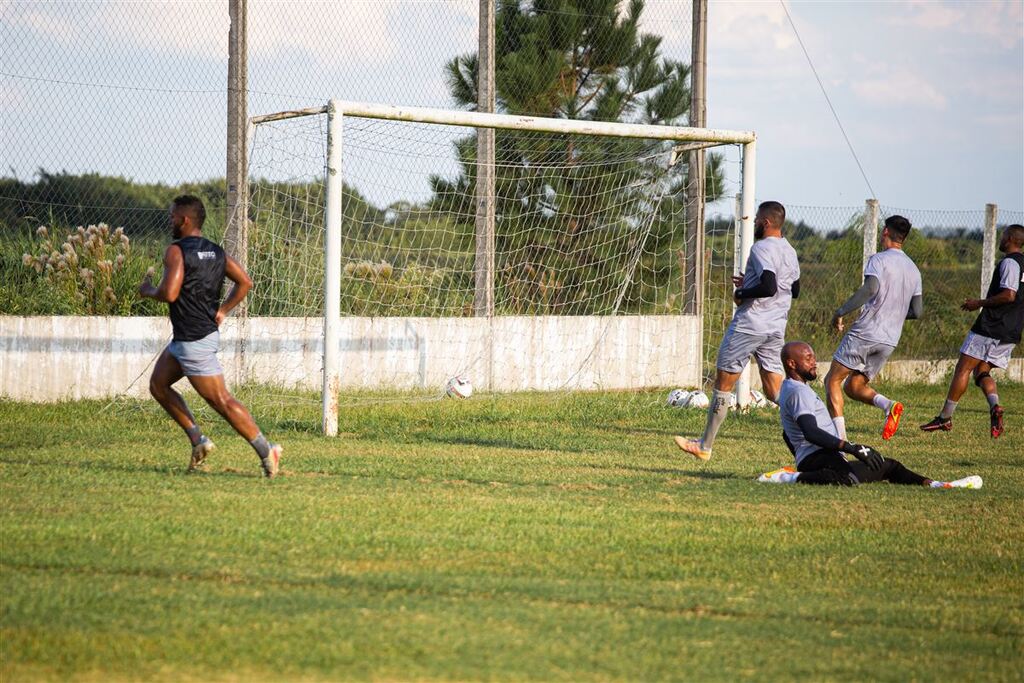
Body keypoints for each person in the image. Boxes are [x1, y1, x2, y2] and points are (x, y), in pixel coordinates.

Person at [140, 195, 282, 478]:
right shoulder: (216, 251)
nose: (170, 221)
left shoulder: (176, 251)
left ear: (184, 220)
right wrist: (224, 310)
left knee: (222, 402)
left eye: (172, 217)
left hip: (194, 342)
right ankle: (198, 440)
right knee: (158, 385)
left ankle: (268, 451)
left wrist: (148, 290)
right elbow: (245, 281)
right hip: (190, 338)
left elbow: (169, 293)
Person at [759, 341, 981, 488]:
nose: (814, 361)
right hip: (817, 458)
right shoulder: (798, 392)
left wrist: (800, 453)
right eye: (808, 358)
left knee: (887, 465)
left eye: (813, 356)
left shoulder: (793, 387)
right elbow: (810, 432)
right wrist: (851, 447)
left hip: (820, 456)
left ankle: (938, 485)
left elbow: (787, 434)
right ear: (791, 363)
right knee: (847, 479)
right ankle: (787, 477)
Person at [675, 200, 801, 461]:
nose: (754, 222)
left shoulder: (761, 247)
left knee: (723, 383)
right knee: (776, 391)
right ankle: (817, 424)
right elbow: (794, 289)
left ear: (765, 223)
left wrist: (742, 291)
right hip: (775, 327)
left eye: (757, 219)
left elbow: (769, 287)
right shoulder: (789, 250)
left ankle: (704, 446)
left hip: (750, 325)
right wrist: (752, 281)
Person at [824, 215, 922, 442]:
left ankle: (840, 440)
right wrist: (894, 313)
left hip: (867, 332)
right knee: (854, 386)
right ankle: (889, 406)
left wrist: (841, 312)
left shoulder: (878, 260)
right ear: (904, 238)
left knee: (832, 380)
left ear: (885, 232)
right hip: (890, 340)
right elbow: (917, 311)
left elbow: (870, 289)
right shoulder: (914, 270)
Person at [921, 224, 1024, 437]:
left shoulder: (1010, 263)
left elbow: (1009, 295)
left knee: (963, 369)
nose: (1001, 238)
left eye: (1004, 235)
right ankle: (995, 406)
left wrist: (979, 303)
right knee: (981, 371)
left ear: (1012, 239)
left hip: (992, 326)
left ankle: (945, 418)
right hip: (1011, 330)